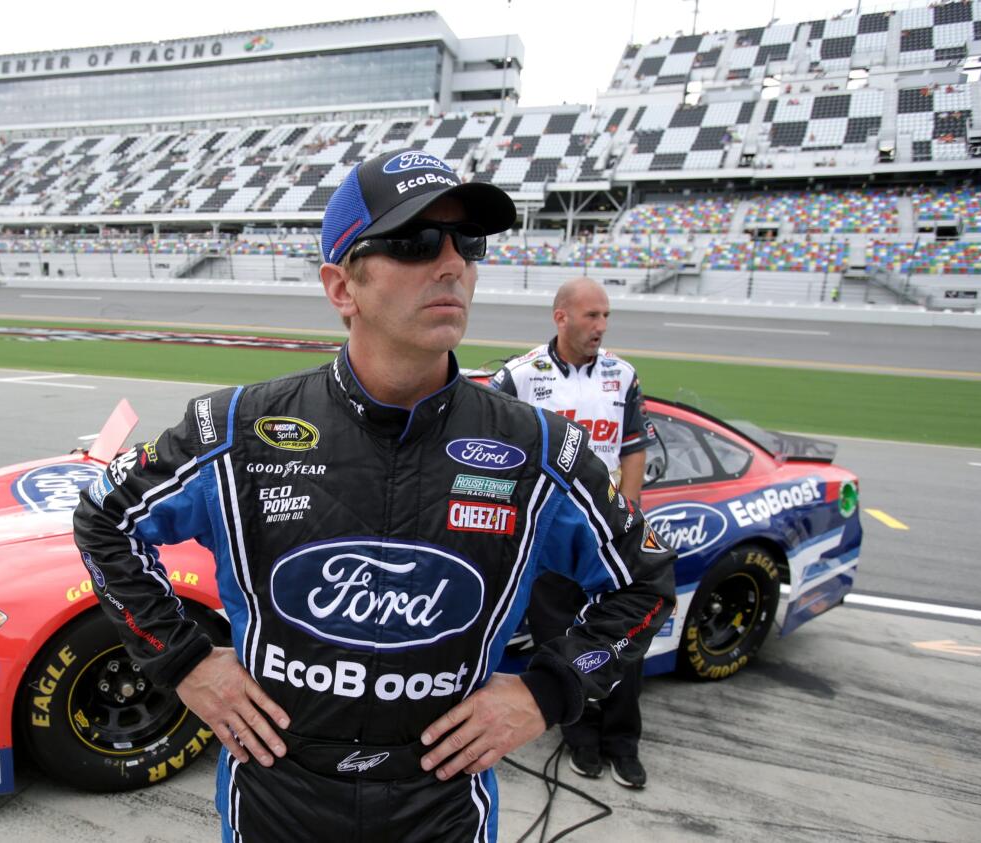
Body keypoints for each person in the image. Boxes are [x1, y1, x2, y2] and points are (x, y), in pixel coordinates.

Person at [73, 149, 675, 842]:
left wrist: (548, 690)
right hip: (276, 797)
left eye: (465, 243)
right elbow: (104, 520)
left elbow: (646, 583)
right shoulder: (238, 429)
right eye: (415, 242)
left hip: (440, 807)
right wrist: (182, 662)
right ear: (341, 287)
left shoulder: (540, 448)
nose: (451, 263)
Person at [490, 278, 661, 788]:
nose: (601, 327)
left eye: (606, 316)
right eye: (591, 316)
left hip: (605, 535)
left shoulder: (622, 374)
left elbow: (633, 448)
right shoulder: (519, 376)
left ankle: (623, 743)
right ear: (560, 317)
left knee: (623, 639)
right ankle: (581, 741)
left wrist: (627, 515)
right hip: (546, 535)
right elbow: (496, 451)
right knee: (562, 641)